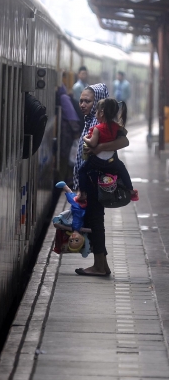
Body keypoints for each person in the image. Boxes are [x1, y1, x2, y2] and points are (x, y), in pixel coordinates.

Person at [72, 83, 129, 276]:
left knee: (95, 221)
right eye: (81, 100)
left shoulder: (100, 125)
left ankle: (99, 266)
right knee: (95, 221)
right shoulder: (90, 122)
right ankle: (102, 265)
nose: (82, 104)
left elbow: (124, 141)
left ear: (98, 104)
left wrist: (99, 148)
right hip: (90, 179)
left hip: (95, 180)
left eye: (87, 101)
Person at [77, 97, 138, 203]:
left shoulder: (98, 128)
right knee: (122, 169)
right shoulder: (117, 127)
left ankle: (82, 194)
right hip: (111, 162)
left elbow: (93, 143)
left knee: (82, 170)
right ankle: (131, 190)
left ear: (101, 113)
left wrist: (85, 138)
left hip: (97, 161)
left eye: (96, 111)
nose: (95, 113)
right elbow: (124, 137)